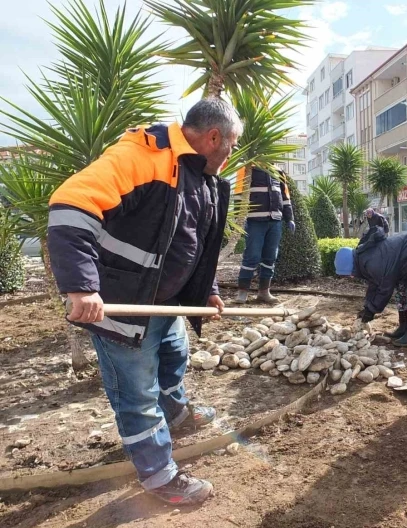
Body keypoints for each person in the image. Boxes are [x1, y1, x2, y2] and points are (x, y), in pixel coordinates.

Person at [46, 99, 242, 504]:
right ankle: (159, 477)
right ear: (213, 137)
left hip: (165, 305)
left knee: (173, 361)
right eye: (231, 144)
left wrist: (208, 290)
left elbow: (195, 244)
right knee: (137, 395)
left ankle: (177, 414)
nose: (231, 154)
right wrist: (82, 288)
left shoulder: (200, 175)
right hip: (124, 304)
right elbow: (72, 204)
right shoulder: (142, 156)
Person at [337, 227, 407, 347]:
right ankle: (403, 326)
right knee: (401, 292)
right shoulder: (364, 259)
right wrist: (368, 307)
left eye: (349, 274)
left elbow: (385, 288)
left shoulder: (372, 263)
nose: (351, 276)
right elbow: (374, 284)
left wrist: (372, 310)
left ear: (351, 265)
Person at [235, 167, 295, 304]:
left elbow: (285, 197)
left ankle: (264, 292)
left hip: (275, 221)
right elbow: (239, 194)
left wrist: (289, 218)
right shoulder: (246, 168)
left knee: (270, 258)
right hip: (254, 221)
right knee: (252, 256)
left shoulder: (279, 171)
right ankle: (242, 292)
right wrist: (238, 219)